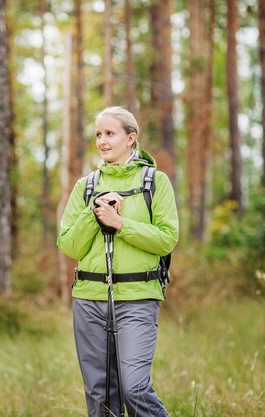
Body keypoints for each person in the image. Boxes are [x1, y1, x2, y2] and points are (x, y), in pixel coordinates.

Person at [57, 106, 179, 417]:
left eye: (110, 133)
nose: (102, 141)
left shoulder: (156, 181)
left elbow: (166, 239)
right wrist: (94, 212)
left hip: (138, 298)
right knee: (100, 395)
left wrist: (121, 224)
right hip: (88, 300)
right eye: (98, 134)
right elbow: (69, 244)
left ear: (131, 138)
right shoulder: (85, 186)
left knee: (134, 386)